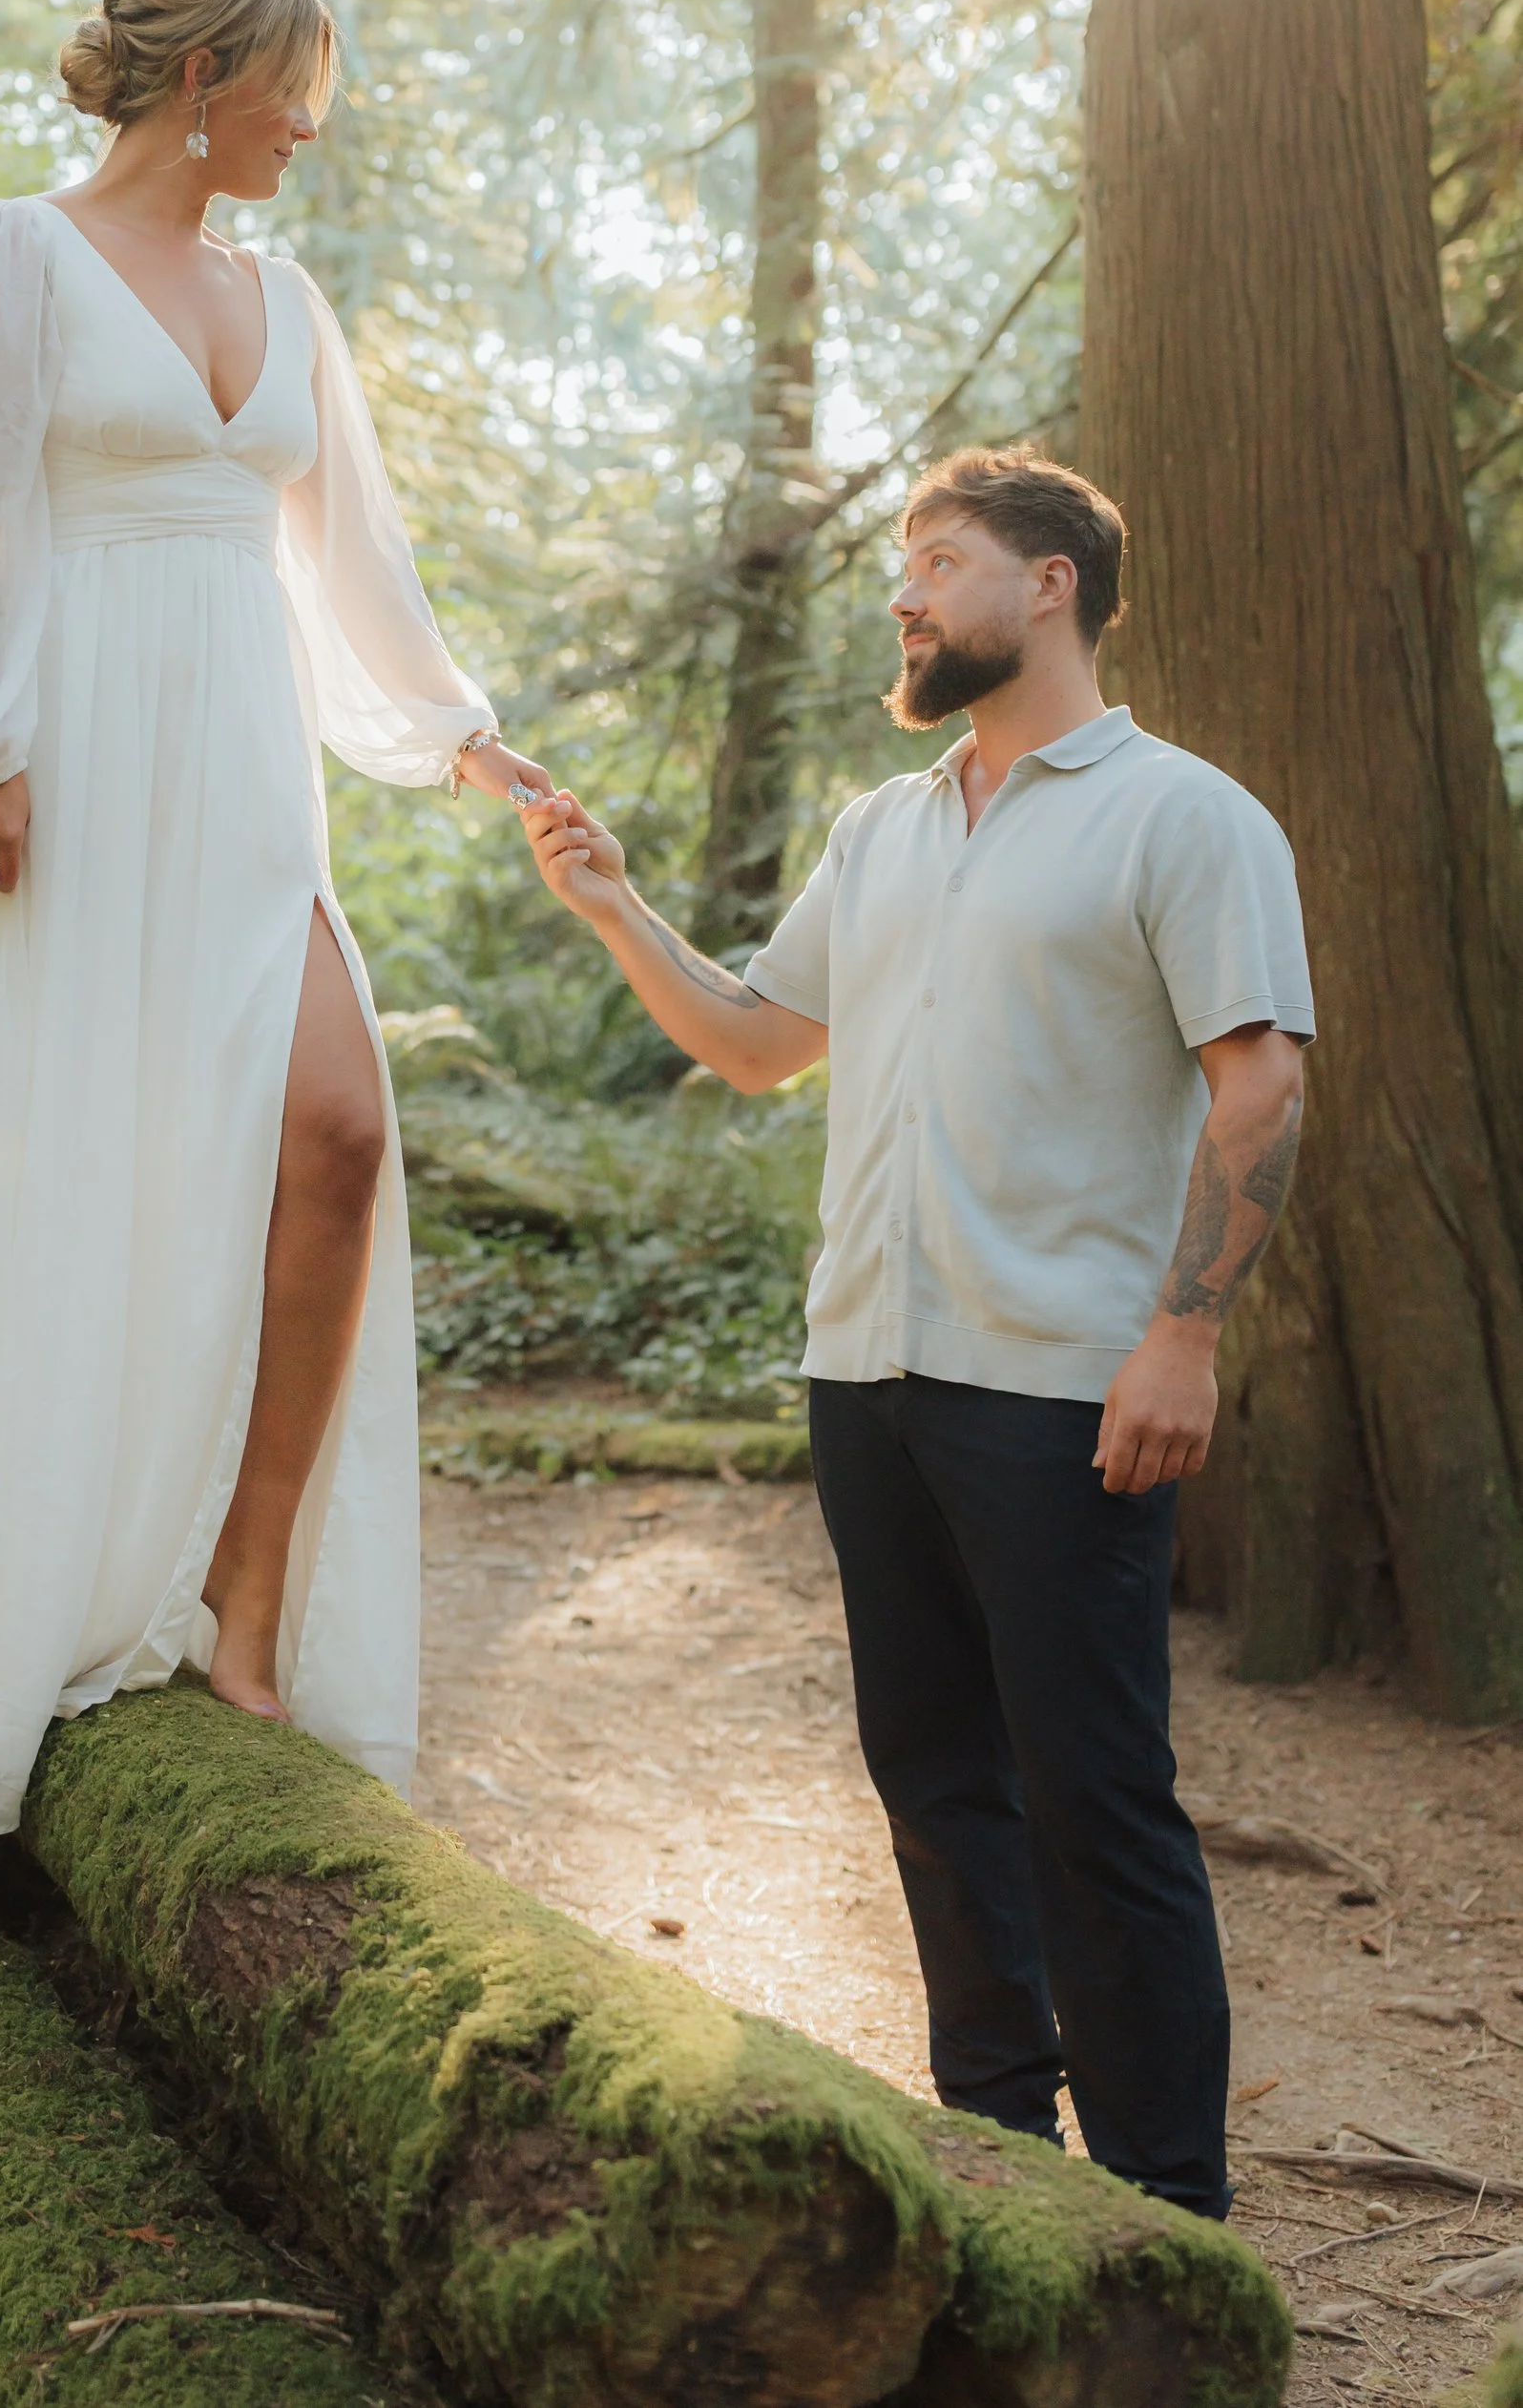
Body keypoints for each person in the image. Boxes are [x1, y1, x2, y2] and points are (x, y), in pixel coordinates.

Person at [0, 0, 548, 1836]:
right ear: (207, 70)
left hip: (238, 778)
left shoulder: (282, 296)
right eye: (295, 83)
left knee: (333, 1128)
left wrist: (455, 731)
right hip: (59, 765)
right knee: (76, 1162)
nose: (310, 124)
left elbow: (350, 563)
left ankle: (244, 1583)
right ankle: (32, 1598)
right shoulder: (10, 256)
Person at [518, 447, 1310, 2221]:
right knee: (938, 1783)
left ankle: (1171, 2216)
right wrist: (612, 902)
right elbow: (753, 1040)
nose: (904, 591)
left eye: (936, 559)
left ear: (1048, 584)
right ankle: (999, 2161)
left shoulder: (1184, 817)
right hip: (867, 1377)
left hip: (1061, 1390)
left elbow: (1259, 1086)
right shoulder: (879, 827)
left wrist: (1182, 1338)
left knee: (1093, 1798)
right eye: (901, 564)